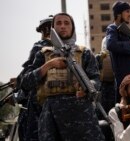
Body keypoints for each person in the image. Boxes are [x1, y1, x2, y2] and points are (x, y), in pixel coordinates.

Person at [21, 13, 105, 141]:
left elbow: (96, 79)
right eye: (58, 23)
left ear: (72, 27)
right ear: (53, 29)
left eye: (67, 23)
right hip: (51, 118)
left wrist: (87, 87)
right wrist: (48, 66)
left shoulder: (85, 53)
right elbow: (25, 83)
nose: (63, 26)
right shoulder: (42, 54)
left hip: (81, 116)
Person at [14, 15, 53, 141]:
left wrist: (17, 94)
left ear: (44, 31)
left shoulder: (39, 46)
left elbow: (26, 78)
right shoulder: (68, 47)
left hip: (38, 104)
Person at [95, 36, 116, 115]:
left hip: (114, 86)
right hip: (102, 87)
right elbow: (94, 73)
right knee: (102, 110)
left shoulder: (116, 57)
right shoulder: (98, 57)